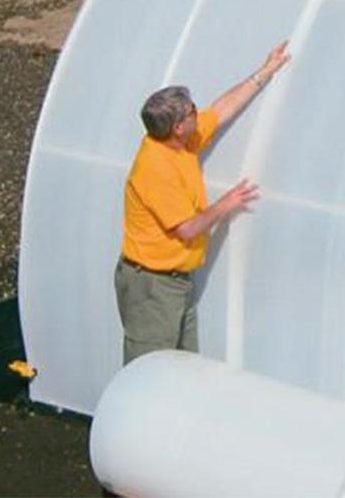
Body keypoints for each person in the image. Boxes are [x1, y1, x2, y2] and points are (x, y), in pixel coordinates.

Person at [115, 40, 290, 364]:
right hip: (152, 287)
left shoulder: (180, 142)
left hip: (173, 283)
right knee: (149, 367)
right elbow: (187, 229)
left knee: (182, 365)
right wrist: (227, 203)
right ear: (178, 127)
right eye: (192, 111)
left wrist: (266, 71)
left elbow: (222, 109)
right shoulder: (155, 169)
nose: (199, 112)